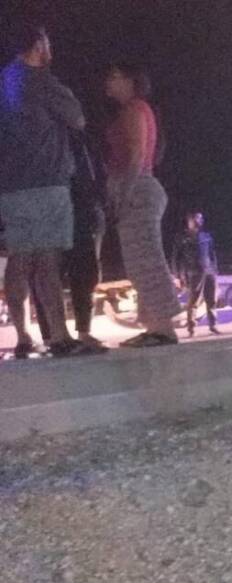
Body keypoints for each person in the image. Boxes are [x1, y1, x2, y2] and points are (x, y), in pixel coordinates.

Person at [0, 23, 100, 358]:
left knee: (19, 256)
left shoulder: (4, 81)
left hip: (10, 186)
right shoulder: (41, 81)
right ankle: (59, 336)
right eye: (48, 43)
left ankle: (23, 336)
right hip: (46, 181)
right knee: (46, 258)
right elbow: (78, 119)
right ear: (39, 45)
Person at [104, 63, 181, 347]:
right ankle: (153, 325)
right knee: (140, 260)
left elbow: (136, 155)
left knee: (146, 260)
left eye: (114, 76)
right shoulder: (135, 110)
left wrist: (124, 194)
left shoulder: (134, 109)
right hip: (139, 189)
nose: (107, 81)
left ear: (130, 80)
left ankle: (163, 327)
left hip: (137, 190)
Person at [34, 129, 107, 349]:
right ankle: (52, 334)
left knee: (84, 269)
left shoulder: (77, 138)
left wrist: (97, 201)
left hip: (80, 204)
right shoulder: (43, 133)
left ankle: (82, 330)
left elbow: (93, 170)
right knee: (48, 267)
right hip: (52, 200)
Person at [173, 210, 219, 337]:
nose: (200, 221)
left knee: (211, 299)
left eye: (201, 218)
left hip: (209, 271)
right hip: (194, 272)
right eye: (197, 218)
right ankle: (191, 327)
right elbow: (176, 258)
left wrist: (215, 269)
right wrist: (177, 276)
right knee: (194, 300)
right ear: (190, 221)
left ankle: (213, 325)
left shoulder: (206, 236)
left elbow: (212, 253)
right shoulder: (182, 238)